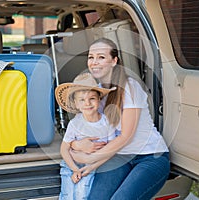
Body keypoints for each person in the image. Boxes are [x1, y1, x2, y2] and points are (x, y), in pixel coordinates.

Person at [69, 38, 170, 200]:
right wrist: (77, 144)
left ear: (114, 61)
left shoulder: (130, 87)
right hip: (119, 158)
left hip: (150, 157)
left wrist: (90, 158)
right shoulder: (95, 93)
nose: (94, 62)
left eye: (101, 57)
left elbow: (126, 136)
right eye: (91, 57)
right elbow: (78, 130)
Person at [55, 72, 117, 200]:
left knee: (82, 195)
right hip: (70, 166)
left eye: (92, 98)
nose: (87, 103)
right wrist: (74, 169)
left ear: (99, 100)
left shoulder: (107, 123)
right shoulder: (75, 123)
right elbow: (64, 149)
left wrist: (92, 167)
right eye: (82, 100)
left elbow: (111, 150)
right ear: (76, 104)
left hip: (91, 166)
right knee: (67, 196)